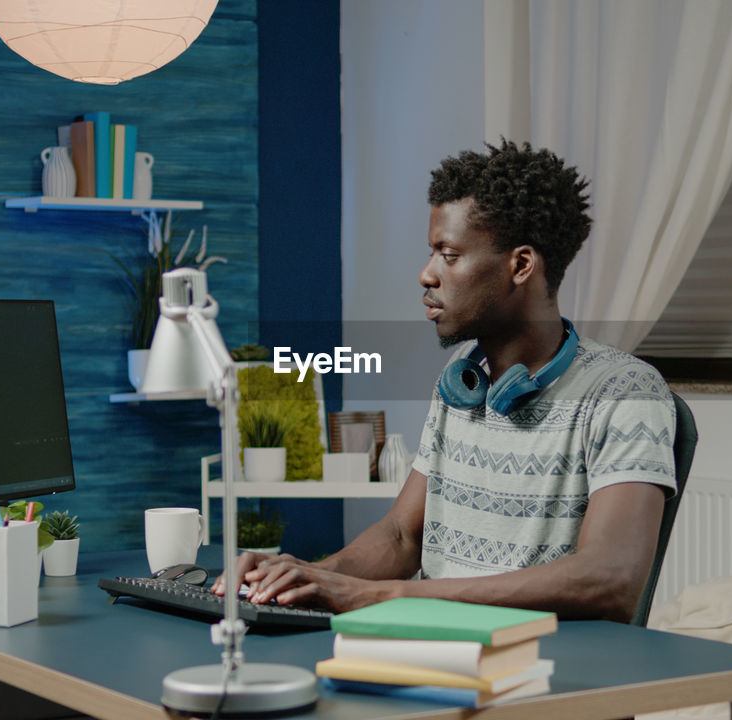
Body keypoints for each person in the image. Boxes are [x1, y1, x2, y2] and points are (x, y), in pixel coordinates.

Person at [212, 140, 677, 623]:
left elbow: (610, 577)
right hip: (425, 646)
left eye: (449, 255)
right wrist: (306, 578)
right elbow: (400, 536)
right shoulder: (462, 381)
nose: (426, 274)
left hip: (531, 670)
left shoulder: (625, 391)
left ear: (520, 265)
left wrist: (387, 598)